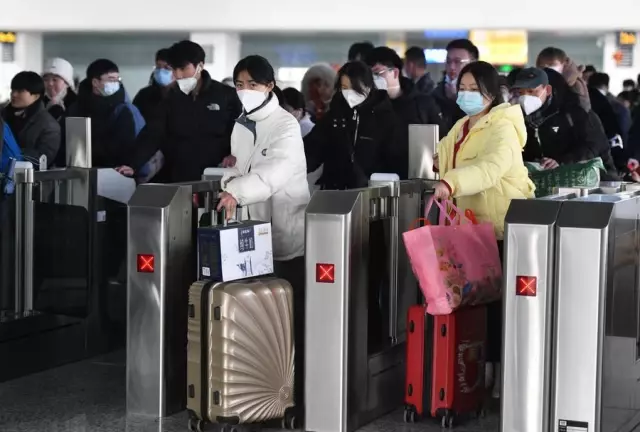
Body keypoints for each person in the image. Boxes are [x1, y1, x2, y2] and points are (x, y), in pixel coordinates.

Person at [432, 61, 535, 399]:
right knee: (478, 305)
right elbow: (445, 156)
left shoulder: (503, 127)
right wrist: (439, 165)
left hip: (501, 229)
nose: (467, 94)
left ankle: (503, 376)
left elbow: (489, 169)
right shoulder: (463, 124)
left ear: (492, 92)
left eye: (475, 89)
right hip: (471, 231)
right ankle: (479, 373)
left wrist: (451, 181)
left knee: (499, 308)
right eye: (463, 87)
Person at [216, 54, 309, 413]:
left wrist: (236, 191)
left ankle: (291, 390)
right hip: (252, 229)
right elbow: (242, 165)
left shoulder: (285, 126)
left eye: (253, 84)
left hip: (285, 230)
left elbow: (275, 172)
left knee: (286, 314)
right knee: (257, 311)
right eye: (240, 85)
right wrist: (231, 179)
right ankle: (258, 387)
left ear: (270, 86)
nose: (245, 91)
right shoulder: (241, 125)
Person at [120, 40, 242, 182]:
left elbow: (242, 131)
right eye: (174, 69)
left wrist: (235, 154)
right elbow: (153, 133)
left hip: (217, 175)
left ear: (200, 66)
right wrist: (133, 164)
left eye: (183, 69)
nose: (178, 74)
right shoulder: (170, 99)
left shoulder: (226, 96)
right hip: (178, 175)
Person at [304, 61, 396, 190]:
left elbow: (393, 159)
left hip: (372, 193)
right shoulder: (335, 116)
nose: (350, 93)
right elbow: (313, 149)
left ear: (368, 86)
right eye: (345, 88)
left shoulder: (384, 118)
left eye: (356, 88)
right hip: (336, 192)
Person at [513, 67, 618, 179]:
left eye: (531, 91)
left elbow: (593, 146)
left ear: (547, 90)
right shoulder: (522, 119)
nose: (525, 98)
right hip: (555, 182)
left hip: (593, 180)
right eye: (521, 93)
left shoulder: (572, 112)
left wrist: (561, 162)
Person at [365, 46, 444, 179]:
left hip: (417, 183)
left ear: (395, 73)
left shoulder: (422, 104)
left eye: (378, 74)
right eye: (369, 76)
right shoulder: (367, 108)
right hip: (376, 185)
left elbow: (443, 141)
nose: (374, 80)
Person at [536, 48, 622, 153]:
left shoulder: (589, 95)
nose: (548, 74)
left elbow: (602, 136)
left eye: (552, 68)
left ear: (565, 66)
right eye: (542, 69)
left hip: (586, 160)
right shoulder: (538, 95)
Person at [67, 59, 139, 168]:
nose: (116, 84)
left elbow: (125, 147)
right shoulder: (76, 108)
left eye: (117, 80)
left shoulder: (122, 110)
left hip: (114, 172)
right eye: (111, 80)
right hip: (79, 169)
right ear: (95, 82)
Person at [2, 71, 61, 166]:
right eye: (13, 90)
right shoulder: (3, 116)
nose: (14, 94)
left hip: (30, 178)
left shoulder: (49, 125)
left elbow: (43, 159)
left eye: (20, 91)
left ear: (36, 96)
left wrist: (12, 153)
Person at [432, 39, 479, 136]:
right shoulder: (435, 95)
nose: (452, 67)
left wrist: (457, 99)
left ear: (473, 63)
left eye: (458, 62)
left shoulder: (483, 96)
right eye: (448, 61)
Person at [589, 72, 631, 166]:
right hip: (612, 153)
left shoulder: (580, 102)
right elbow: (623, 134)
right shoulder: (617, 106)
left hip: (590, 154)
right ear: (607, 85)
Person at [133, 48, 173, 122]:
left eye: (167, 68)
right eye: (158, 67)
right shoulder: (144, 95)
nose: (161, 71)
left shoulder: (185, 96)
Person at [42, 57, 77, 122]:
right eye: (46, 79)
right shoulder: (37, 103)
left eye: (55, 80)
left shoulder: (78, 104)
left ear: (67, 83)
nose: (50, 83)